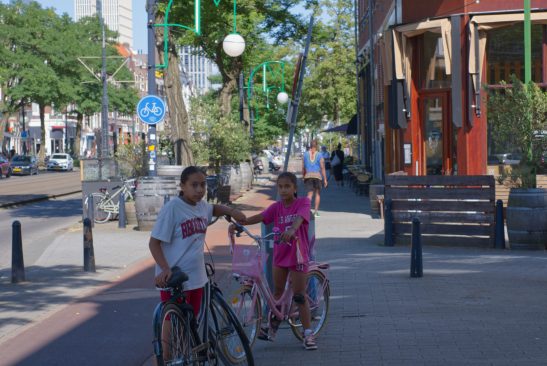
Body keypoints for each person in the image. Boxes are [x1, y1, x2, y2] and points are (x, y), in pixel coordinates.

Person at [149, 166, 246, 317]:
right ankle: (166, 341)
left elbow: (213, 208)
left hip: (197, 277)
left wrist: (231, 211)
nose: (199, 189)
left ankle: (191, 342)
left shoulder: (201, 206)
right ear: (182, 186)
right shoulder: (172, 209)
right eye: (194, 185)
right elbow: (154, 243)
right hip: (175, 278)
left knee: (192, 322)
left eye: (203, 184)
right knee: (171, 319)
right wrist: (165, 269)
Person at [239, 172, 318, 350]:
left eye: (287, 186)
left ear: (294, 188)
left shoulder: (302, 202)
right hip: (280, 256)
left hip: (298, 256)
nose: (283, 190)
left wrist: (291, 230)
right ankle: (272, 328)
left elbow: (300, 218)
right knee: (277, 294)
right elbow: (261, 217)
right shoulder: (276, 207)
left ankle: (308, 333)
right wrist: (240, 222)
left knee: (299, 295)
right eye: (280, 186)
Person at [302, 139, 328, 217]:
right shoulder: (320, 155)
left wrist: (303, 176)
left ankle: (307, 211)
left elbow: (303, 167)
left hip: (308, 176)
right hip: (317, 176)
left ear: (310, 145)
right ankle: (316, 212)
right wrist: (325, 179)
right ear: (316, 146)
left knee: (309, 195)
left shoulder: (305, 154)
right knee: (317, 194)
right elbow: (322, 168)